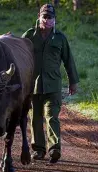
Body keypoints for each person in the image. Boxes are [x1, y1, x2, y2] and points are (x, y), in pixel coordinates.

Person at [22, 3, 79, 163]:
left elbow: (69, 60)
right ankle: (38, 150)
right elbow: (19, 58)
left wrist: (73, 82)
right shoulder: (29, 36)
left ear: (55, 20)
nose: (47, 20)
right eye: (45, 16)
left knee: (51, 116)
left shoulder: (60, 38)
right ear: (39, 17)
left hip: (53, 85)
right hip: (32, 86)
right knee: (35, 119)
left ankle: (54, 149)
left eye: (51, 17)